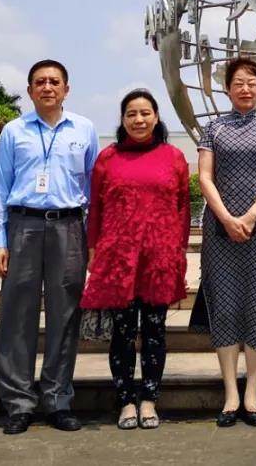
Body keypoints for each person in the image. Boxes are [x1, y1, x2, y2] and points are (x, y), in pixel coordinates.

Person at [0, 59, 99, 435]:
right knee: (16, 316)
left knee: (64, 315)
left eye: (54, 81)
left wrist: (92, 238)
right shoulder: (13, 131)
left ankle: (57, 399)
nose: (47, 87)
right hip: (23, 225)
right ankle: (18, 403)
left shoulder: (84, 129)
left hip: (69, 227)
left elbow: (93, 187)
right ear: (30, 90)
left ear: (66, 89)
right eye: (40, 82)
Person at [80, 89, 190, 430]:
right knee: (123, 333)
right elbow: (95, 209)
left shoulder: (174, 157)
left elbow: (183, 209)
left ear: (156, 117)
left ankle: (149, 400)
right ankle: (126, 400)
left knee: (155, 331)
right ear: (123, 119)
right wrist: (93, 251)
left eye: (145, 113)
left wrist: (179, 252)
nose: (138, 119)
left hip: (158, 258)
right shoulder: (107, 158)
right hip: (119, 259)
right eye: (131, 114)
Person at [192, 58, 256, 427]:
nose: (245, 89)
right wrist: (227, 218)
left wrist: (249, 216)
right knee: (225, 304)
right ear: (227, 88)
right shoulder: (213, 128)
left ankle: (252, 394)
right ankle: (231, 393)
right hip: (220, 230)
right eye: (238, 83)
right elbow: (205, 177)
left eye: (251, 83)